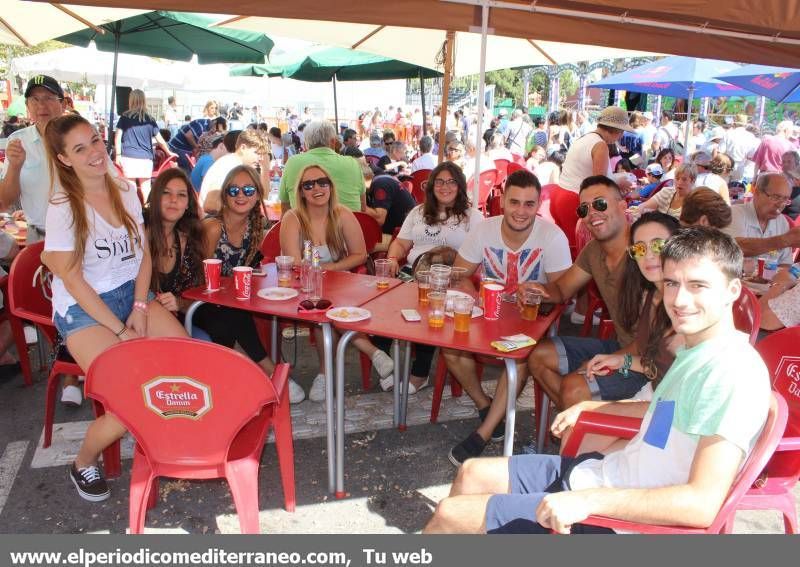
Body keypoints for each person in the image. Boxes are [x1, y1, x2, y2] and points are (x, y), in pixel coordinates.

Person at [424, 227, 770, 535]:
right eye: (671, 284)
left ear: (733, 290)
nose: (679, 300)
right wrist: (595, 409)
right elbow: (663, 422)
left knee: (450, 515)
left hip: (622, 520)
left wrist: (587, 500)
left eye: (698, 286)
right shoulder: (695, 353)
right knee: (471, 473)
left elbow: (701, 504)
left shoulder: (731, 373)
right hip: (607, 477)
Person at [42, 114, 188, 501]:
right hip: (83, 307)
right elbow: (73, 280)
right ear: (63, 159)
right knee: (133, 396)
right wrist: (123, 331)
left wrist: (140, 306)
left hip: (130, 292)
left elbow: (142, 255)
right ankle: (84, 461)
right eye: (80, 148)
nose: (94, 152)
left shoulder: (123, 187)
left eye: (94, 140)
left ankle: (162, 440)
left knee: (186, 364)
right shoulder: (63, 206)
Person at [443, 169, 572, 465]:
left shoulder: (552, 236)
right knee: (449, 346)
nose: (521, 211)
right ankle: (486, 406)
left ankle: (483, 433)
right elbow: (459, 274)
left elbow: (562, 290)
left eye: (529, 204)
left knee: (521, 357)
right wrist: (471, 296)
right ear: (502, 202)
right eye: (515, 202)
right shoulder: (484, 230)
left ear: (538, 205)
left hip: (530, 321)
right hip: (488, 315)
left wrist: (541, 291)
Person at [0, 75, 84, 406]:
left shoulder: (76, 135)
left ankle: (70, 374)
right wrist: (14, 167)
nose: (42, 106)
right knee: (55, 305)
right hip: (40, 237)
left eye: (49, 98)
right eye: (34, 100)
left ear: (62, 103)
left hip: (78, 233)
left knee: (75, 303)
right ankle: (68, 367)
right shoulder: (17, 141)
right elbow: (5, 201)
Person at [526, 175, 639, 412]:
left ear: (622, 205)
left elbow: (658, 340)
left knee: (574, 388)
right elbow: (561, 289)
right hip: (620, 345)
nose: (591, 214)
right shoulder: (594, 250)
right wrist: (537, 289)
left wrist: (613, 360)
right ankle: (580, 425)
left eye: (600, 204)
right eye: (584, 209)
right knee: (537, 355)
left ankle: (581, 427)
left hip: (648, 361)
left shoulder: (645, 252)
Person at [279, 165, 392, 402]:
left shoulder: (342, 214)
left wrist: (328, 269)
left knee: (328, 308)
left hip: (338, 284)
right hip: (302, 286)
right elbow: (295, 263)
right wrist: (323, 272)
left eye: (322, 182)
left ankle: (324, 374)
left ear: (331, 186)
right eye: (308, 185)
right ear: (301, 192)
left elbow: (360, 254)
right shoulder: (293, 218)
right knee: (323, 309)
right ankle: (373, 353)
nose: (317, 188)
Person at [196, 165, 305, 404]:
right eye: (234, 190)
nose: (241, 195)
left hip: (226, 298)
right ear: (225, 195)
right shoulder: (213, 228)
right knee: (227, 317)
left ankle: (256, 375)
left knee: (238, 311)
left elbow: (247, 268)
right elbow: (195, 277)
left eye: (248, 189)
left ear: (257, 195)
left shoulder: (254, 228)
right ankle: (268, 373)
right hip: (196, 299)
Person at [558, 212, 681, 409]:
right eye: (640, 249)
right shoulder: (653, 294)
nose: (648, 255)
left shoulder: (686, 307)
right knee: (575, 418)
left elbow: (679, 381)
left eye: (658, 246)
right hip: (654, 392)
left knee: (577, 410)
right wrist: (620, 360)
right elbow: (657, 366)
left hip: (669, 409)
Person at [384, 162, 484, 393]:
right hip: (413, 272)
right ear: (431, 186)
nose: (445, 186)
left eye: (451, 181)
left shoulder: (473, 217)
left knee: (429, 308)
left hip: (452, 278)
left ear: (459, 186)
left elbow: (479, 255)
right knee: (384, 303)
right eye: (439, 181)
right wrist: (391, 259)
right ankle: (385, 363)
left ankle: (419, 374)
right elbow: (401, 243)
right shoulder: (418, 212)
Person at [554, 106, 635, 254]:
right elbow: (598, 185)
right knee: (584, 253)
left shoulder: (585, 138)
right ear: (616, 130)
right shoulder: (600, 145)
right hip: (575, 200)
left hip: (562, 195)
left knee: (569, 249)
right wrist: (619, 183)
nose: (622, 135)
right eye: (622, 131)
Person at [144, 169, 209, 340]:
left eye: (181, 195)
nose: (174, 200)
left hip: (171, 322)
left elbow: (196, 299)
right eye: (166, 193)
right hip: (135, 322)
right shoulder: (138, 232)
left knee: (207, 341)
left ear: (188, 203)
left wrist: (178, 303)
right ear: (155, 197)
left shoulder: (187, 240)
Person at [279, 121, 366, 214]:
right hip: (350, 227)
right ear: (333, 142)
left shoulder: (293, 163)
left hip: (305, 227)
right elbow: (363, 208)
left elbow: (285, 209)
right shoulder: (352, 163)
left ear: (305, 145)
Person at [723, 172, 797, 266]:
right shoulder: (735, 213)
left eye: (785, 199)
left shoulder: (782, 222)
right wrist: (784, 240)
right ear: (757, 192)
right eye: (776, 197)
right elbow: (735, 247)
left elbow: (785, 264)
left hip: (770, 280)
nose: (780, 204)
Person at [114, 89, 175, 200]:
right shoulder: (150, 119)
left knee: (131, 189)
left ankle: (132, 214)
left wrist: (117, 155)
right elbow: (160, 140)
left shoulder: (124, 118)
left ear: (130, 101)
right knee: (146, 189)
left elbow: (117, 137)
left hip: (128, 157)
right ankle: (147, 212)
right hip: (145, 159)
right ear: (144, 101)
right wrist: (168, 151)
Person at [199, 130, 269, 214]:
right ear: (243, 148)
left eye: (262, 155)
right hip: (213, 223)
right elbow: (211, 205)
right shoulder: (229, 166)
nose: (261, 158)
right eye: (257, 153)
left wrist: (265, 168)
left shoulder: (236, 164)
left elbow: (262, 198)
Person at [361, 162, 415, 250]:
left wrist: (357, 204)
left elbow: (379, 219)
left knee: (357, 245)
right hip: (402, 233)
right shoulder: (382, 179)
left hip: (403, 239)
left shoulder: (381, 184)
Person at [168, 100, 219, 170]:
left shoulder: (208, 123)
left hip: (184, 148)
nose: (214, 110)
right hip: (179, 147)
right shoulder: (202, 123)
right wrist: (196, 146)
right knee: (187, 169)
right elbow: (188, 135)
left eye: (215, 108)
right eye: (212, 108)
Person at [780, 150, 800, 220]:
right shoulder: (778, 179)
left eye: (789, 162)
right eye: (783, 162)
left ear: (797, 164)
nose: (785, 164)